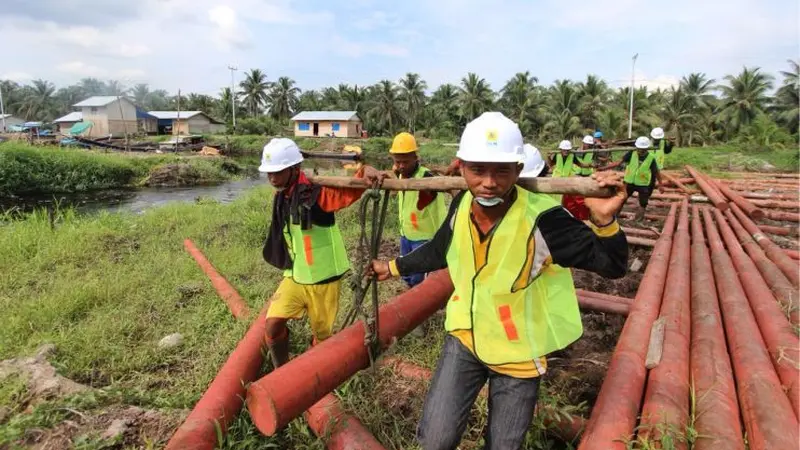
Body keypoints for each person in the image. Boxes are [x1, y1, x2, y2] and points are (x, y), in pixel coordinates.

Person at [371, 112, 628, 450]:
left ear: (518, 171)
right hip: (465, 337)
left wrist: (605, 221)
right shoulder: (462, 202)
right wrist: (392, 267)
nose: (488, 183)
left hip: (517, 354)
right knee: (435, 439)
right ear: (461, 168)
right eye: (478, 170)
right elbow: (441, 248)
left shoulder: (545, 221)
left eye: (501, 170)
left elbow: (611, 265)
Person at [259, 138, 385, 367]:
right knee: (272, 324)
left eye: (277, 172)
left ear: (294, 169)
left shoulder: (317, 196)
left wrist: (367, 170)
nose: (272, 178)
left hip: (323, 279)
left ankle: (316, 375)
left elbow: (349, 191)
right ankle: (283, 372)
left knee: (323, 337)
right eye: (269, 173)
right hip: (296, 276)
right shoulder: (283, 196)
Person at [389, 132, 447, 288]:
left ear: (415, 157)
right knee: (405, 272)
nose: (401, 166)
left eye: (405, 162)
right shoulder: (401, 174)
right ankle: (412, 293)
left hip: (424, 237)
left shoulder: (427, 177)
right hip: (406, 234)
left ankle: (421, 301)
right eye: (398, 161)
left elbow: (426, 199)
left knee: (419, 277)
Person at [605, 136, 664, 222]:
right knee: (621, 199)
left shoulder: (651, 158)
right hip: (629, 182)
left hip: (643, 184)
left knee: (643, 203)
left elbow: (656, 172)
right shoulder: (631, 154)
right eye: (639, 149)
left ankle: (638, 220)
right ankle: (614, 217)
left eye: (642, 149)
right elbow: (619, 162)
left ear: (647, 148)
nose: (640, 151)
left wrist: (661, 184)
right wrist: (604, 168)